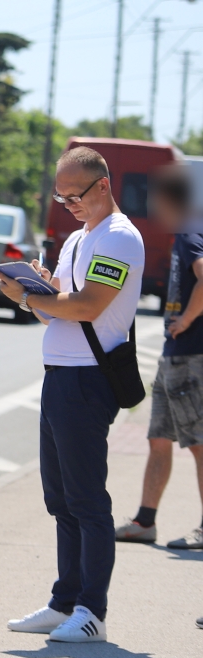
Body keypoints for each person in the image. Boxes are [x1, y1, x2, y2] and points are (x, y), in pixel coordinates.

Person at [0, 146, 144, 644]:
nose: (70, 205)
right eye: (62, 199)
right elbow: (53, 309)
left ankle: (91, 611)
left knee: (86, 499)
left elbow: (86, 306)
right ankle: (65, 601)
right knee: (60, 498)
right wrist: (34, 290)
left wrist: (29, 296)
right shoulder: (80, 238)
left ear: (103, 185)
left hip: (88, 378)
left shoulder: (120, 238)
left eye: (75, 196)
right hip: (60, 372)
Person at [114, 164, 203, 551]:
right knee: (159, 438)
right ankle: (145, 521)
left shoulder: (190, 232)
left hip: (191, 357)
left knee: (200, 443)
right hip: (175, 356)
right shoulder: (185, 233)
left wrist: (187, 316)